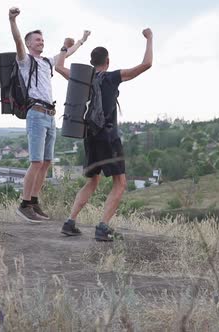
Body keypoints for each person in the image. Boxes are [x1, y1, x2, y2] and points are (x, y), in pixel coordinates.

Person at [55, 28, 154, 241]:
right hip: (109, 137)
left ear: (92, 62)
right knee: (120, 182)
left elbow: (58, 66)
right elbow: (146, 65)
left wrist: (65, 45)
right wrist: (149, 38)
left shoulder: (81, 78)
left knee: (92, 181)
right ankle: (102, 227)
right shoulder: (112, 77)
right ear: (107, 61)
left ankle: (69, 222)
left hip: (89, 136)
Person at [8, 7, 90, 223]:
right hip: (35, 114)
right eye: (36, 40)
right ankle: (24, 205)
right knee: (36, 162)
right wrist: (12, 20)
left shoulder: (46, 62)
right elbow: (17, 41)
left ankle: (34, 202)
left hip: (50, 115)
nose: (41, 42)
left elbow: (66, 53)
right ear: (28, 44)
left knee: (45, 163)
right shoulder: (25, 61)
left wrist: (81, 40)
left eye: (42, 40)